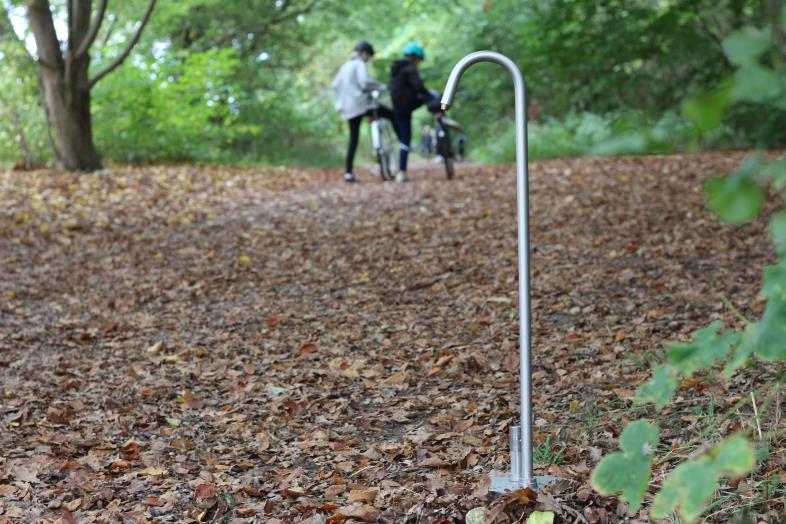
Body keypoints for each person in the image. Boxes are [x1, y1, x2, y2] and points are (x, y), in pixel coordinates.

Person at [332, 41, 398, 183]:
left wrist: (344, 97)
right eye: (369, 57)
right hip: (363, 105)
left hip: (348, 108)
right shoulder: (360, 63)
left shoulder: (345, 66)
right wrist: (382, 87)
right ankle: (400, 142)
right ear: (366, 53)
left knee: (353, 139)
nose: (368, 60)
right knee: (391, 114)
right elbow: (365, 82)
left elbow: (335, 85)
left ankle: (348, 173)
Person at [389, 42, 440, 182]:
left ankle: (401, 172)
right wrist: (431, 99)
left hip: (396, 107)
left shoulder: (395, 68)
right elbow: (419, 87)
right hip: (407, 104)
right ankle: (439, 113)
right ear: (416, 57)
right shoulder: (410, 68)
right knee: (433, 97)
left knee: (405, 139)